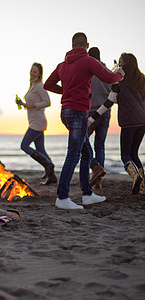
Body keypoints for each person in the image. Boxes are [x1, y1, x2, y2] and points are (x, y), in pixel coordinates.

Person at [44, 32, 124, 210]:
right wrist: (119, 74)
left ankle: (87, 194)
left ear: (72, 45)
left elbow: (47, 84)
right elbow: (109, 78)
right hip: (79, 113)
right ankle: (62, 197)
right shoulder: (89, 61)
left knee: (86, 153)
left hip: (65, 112)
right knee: (73, 155)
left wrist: (65, 91)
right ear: (86, 45)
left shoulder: (62, 65)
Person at [89, 53, 145, 195]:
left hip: (128, 122)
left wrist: (93, 117)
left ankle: (135, 177)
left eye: (120, 63)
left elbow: (109, 102)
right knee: (134, 154)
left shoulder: (118, 82)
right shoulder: (141, 79)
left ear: (125, 65)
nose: (118, 66)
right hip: (142, 121)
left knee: (125, 155)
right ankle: (143, 187)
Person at [18, 62, 57, 185]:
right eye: (31, 71)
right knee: (40, 149)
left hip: (38, 122)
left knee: (24, 145)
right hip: (34, 120)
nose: (32, 73)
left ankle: (47, 164)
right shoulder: (32, 86)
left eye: (34, 72)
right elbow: (31, 104)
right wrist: (24, 104)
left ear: (39, 74)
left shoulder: (40, 86)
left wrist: (32, 105)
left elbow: (47, 102)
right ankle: (52, 176)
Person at [87, 47, 111, 190]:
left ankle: (94, 166)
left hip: (91, 113)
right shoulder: (108, 72)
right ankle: (97, 180)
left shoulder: (89, 72)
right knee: (99, 146)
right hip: (106, 113)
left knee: (82, 141)